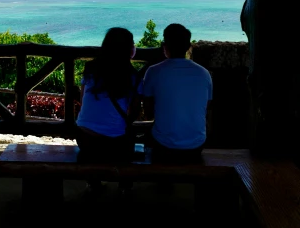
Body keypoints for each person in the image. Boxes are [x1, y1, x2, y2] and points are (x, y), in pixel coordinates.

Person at [75, 27, 141, 195]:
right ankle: (125, 186)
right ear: (129, 50)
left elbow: (83, 101)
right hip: (115, 144)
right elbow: (134, 112)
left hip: (84, 139)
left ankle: (93, 183)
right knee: (128, 140)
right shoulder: (132, 75)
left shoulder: (90, 69)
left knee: (97, 145)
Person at [141, 23, 212, 162]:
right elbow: (206, 108)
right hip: (196, 144)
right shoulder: (204, 73)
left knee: (148, 135)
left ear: (165, 45)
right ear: (188, 46)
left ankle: (161, 180)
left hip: (165, 146)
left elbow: (148, 112)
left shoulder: (154, 71)